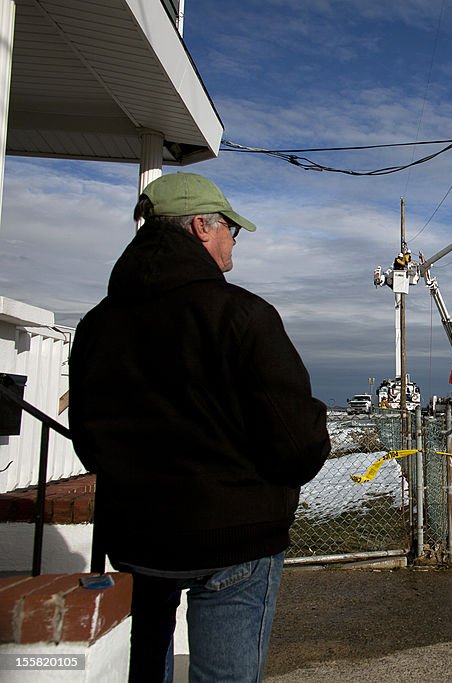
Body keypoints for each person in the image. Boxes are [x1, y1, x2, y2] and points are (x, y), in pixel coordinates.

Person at [69, 172, 331, 683]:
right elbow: (298, 444)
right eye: (232, 227)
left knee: (145, 671)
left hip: (138, 540)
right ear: (200, 227)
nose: (236, 239)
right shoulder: (242, 316)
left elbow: (89, 440)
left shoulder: (97, 325)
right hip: (235, 541)